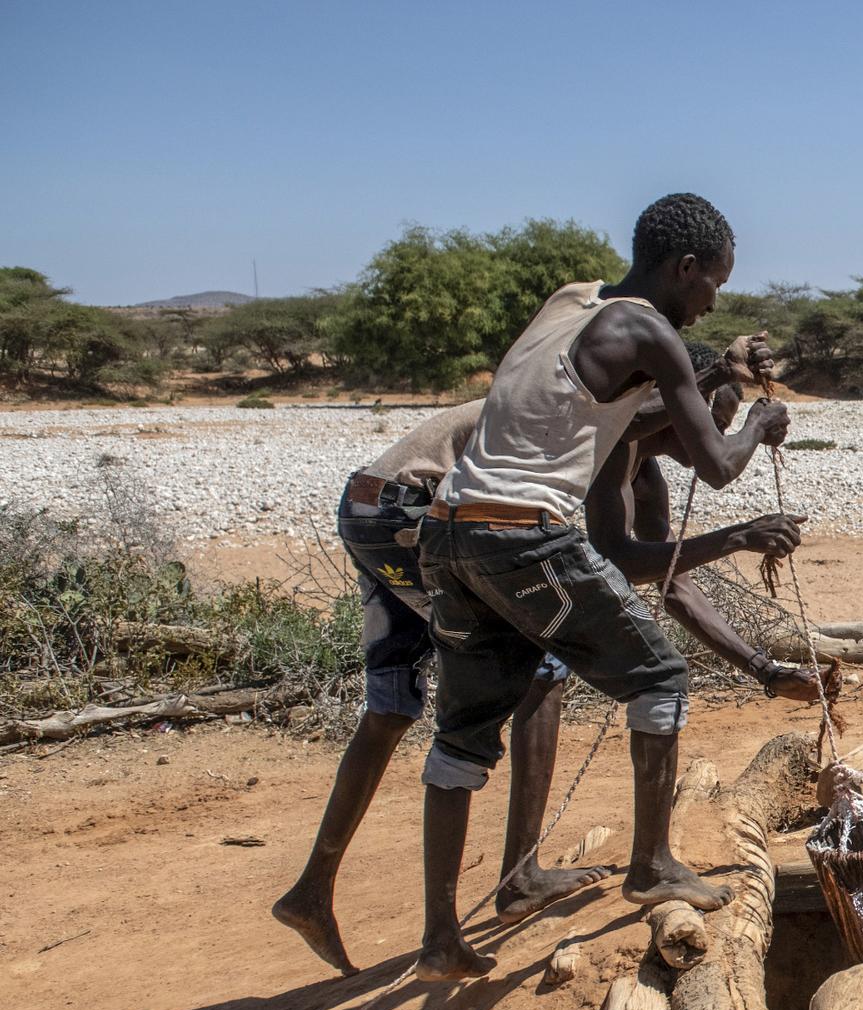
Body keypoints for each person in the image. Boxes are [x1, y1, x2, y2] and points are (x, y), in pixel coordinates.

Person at [272, 339, 807, 975]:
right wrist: (740, 519)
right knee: (540, 668)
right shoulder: (608, 428)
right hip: (415, 509)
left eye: (715, 424)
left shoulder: (636, 466)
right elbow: (630, 558)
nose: (704, 438)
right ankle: (517, 881)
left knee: (392, 705)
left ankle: (312, 890)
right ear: (669, 398)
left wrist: (763, 668)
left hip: (373, 508)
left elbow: (669, 583)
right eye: (703, 417)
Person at [414, 192, 795, 981]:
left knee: (461, 735)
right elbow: (717, 466)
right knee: (660, 677)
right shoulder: (653, 332)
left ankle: (440, 936)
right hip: (524, 530)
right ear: (685, 268)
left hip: (449, 529)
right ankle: (652, 864)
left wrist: (720, 372)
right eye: (714, 283)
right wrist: (759, 423)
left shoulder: (573, 301)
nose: (712, 302)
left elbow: (626, 406)